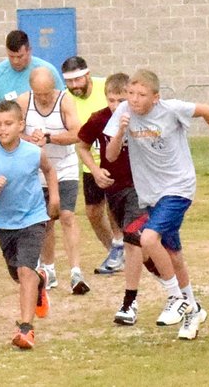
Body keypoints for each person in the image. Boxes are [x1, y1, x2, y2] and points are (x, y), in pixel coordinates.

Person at [104, 69, 209, 339]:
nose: (134, 99)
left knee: (148, 239)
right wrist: (121, 132)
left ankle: (175, 298)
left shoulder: (171, 110)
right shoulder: (124, 111)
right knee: (173, 255)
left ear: (156, 97)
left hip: (179, 187)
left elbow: (206, 109)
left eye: (142, 95)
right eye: (131, 93)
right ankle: (193, 311)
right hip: (150, 194)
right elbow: (111, 156)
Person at [0, 100, 59, 349]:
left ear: (21, 125)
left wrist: (55, 198)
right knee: (17, 274)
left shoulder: (33, 151)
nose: (2, 129)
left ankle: (26, 329)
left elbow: (50, 171)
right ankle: (39, 284)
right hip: (3, 222)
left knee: (24, 271)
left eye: (8, 124)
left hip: (33, 219)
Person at [77, 73, 149, 325]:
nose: (116, 106)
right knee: (148, 253)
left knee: (133, 238)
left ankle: (129, 303)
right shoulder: (99, 119)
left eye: (121, 100)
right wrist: (95, 171)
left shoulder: (142, 117)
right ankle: (181, 294)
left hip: (140, 189)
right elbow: (82, 145)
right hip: (114, 190)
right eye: (111, 100)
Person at [16, 67, 88, 294]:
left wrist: (49, 137)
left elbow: (78, 132)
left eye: (47, 93)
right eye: (39, 94)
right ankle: (49, 269)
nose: (44, 98)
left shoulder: (65, 101)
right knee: (44, 221)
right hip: (36, 171)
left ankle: (76, 271)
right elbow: (12, 131)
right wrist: (29, 140)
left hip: (64, 168)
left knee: (67, 215)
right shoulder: (23, 102)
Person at [62, 56, 125, 274]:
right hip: (90, 163)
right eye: (69, 82)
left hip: (115, 160)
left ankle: (120, 246)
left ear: (87, 75)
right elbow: (79, 138)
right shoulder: (66, 99)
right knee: (92, 212)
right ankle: (115, 251)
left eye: (78, 80)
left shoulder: (106, 88)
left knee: (114, 207)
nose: (74, 86)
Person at [0, 30, 64, 142]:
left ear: (29, 50)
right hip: (10, 140)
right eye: (11, 56)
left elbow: (62, 102)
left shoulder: (47, 70)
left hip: (42, 138)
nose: (16, 61)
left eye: (20, 56)